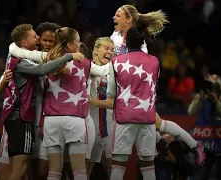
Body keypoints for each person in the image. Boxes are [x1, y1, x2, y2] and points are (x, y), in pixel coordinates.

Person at [109, 5, 205, 166]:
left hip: (135, 89)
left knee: (155, 123)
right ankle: (165, 142)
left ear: (129, 19)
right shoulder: (116, 35)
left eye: (118, 15)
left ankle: (187, 145)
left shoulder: (139, 42)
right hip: (127, 89)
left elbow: (139, 69)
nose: (114, 18)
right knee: (153, 123)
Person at [1, 24, 84, 180]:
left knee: (28, 167)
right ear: (24, 43)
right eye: (35, 37)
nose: (39, 40)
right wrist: (68, 57)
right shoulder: (21, 61)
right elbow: (41, 70)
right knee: (22, 167)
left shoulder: (20, 58)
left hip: (28, 117)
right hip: (22, 117)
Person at [107, 25, 161, 180]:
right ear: (143, 41)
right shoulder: (155, 61)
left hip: (124, 119)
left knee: (118, 167)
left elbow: (111, 92)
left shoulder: (115, 61)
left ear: (125, 40)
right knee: (148, 169)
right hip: (147, 119)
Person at [40, 27, 90, 180]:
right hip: (74, 120)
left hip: (51, 121)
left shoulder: (47, 60)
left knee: (54, 171)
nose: (80, 43)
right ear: (69, 45)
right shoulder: (85, 63)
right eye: (78, 40)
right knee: (79, 171)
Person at [188, 75, 221, 180]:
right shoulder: (203, 98)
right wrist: (199, 96)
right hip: (206, 146)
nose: (212, 89)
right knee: (202, 175)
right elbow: (190, 112)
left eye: (214, 86)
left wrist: (216, 102)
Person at [87, 37, 115, 178]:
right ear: (95, 51)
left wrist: (93, 101)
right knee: (85, 172)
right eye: (106, 48)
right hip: (90, 127)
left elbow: (114, 103)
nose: (110, 52)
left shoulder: (115, 74)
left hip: (110, 129)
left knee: (115, 172)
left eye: (112, 50)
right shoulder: (86, 69)